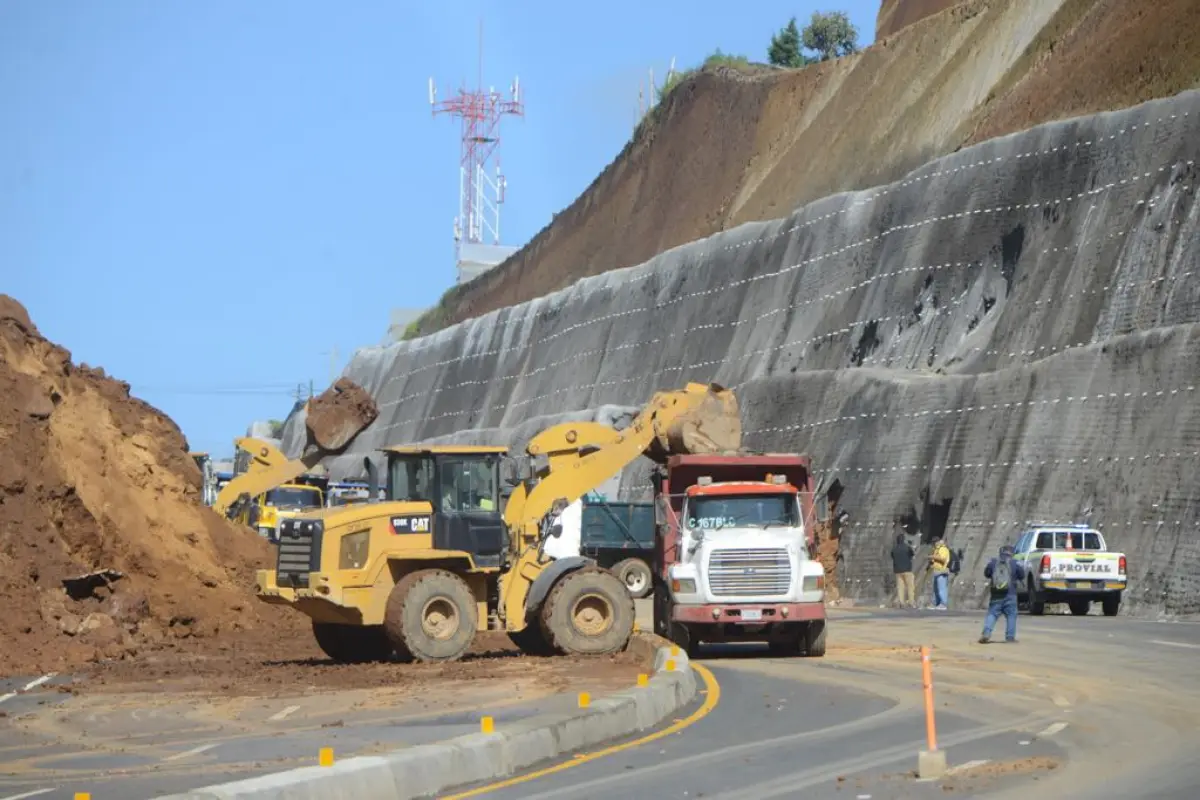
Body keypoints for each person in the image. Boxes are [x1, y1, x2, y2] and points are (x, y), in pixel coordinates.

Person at [979, 544, 1026, 643]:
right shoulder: (1015, 563)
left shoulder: (993, 562)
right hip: (1011, 594)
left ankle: (986, 633)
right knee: (1011, 615)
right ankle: (1010, 637)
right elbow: (1022, 575)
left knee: (992, 614)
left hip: (996, 594)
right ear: (1012, 554)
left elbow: (986, 574)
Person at [890, 533, 916, 608]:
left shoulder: (894, 549)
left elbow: (892, 556)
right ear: (904, 540)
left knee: (900, 587)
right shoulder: (907, 548)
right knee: (910, 587)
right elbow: (912, 555)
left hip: (897, 571)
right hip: (907, 570)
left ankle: (902, 602)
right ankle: (911, 602)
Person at [929, 535, 951, 610]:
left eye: (934, 542)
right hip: (937, 571)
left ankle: (943, 604)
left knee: (942, 588)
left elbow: (943, 559)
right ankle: (937, 603)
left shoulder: (943, 549)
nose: (934, 544)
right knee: (936, 589)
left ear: (937, 542)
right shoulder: (937, 549)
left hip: (942, 571)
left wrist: (933, 557)